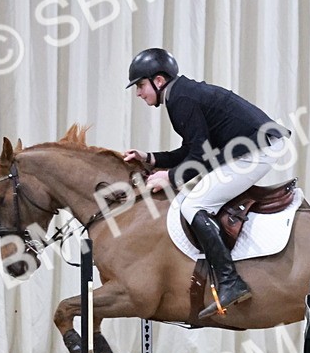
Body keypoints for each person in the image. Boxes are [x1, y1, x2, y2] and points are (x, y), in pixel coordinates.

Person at [122, 48, 291, 319]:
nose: (139, 93)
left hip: (257, 149)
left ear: (159, 81)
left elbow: (199, 157)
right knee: (194, 199)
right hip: (253, 145)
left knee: (193, 204)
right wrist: (150, 158)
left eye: (141, 85)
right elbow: (192, 150)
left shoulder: (181, 100)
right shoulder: (181, 95)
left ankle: (230, 282)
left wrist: (170, 177)